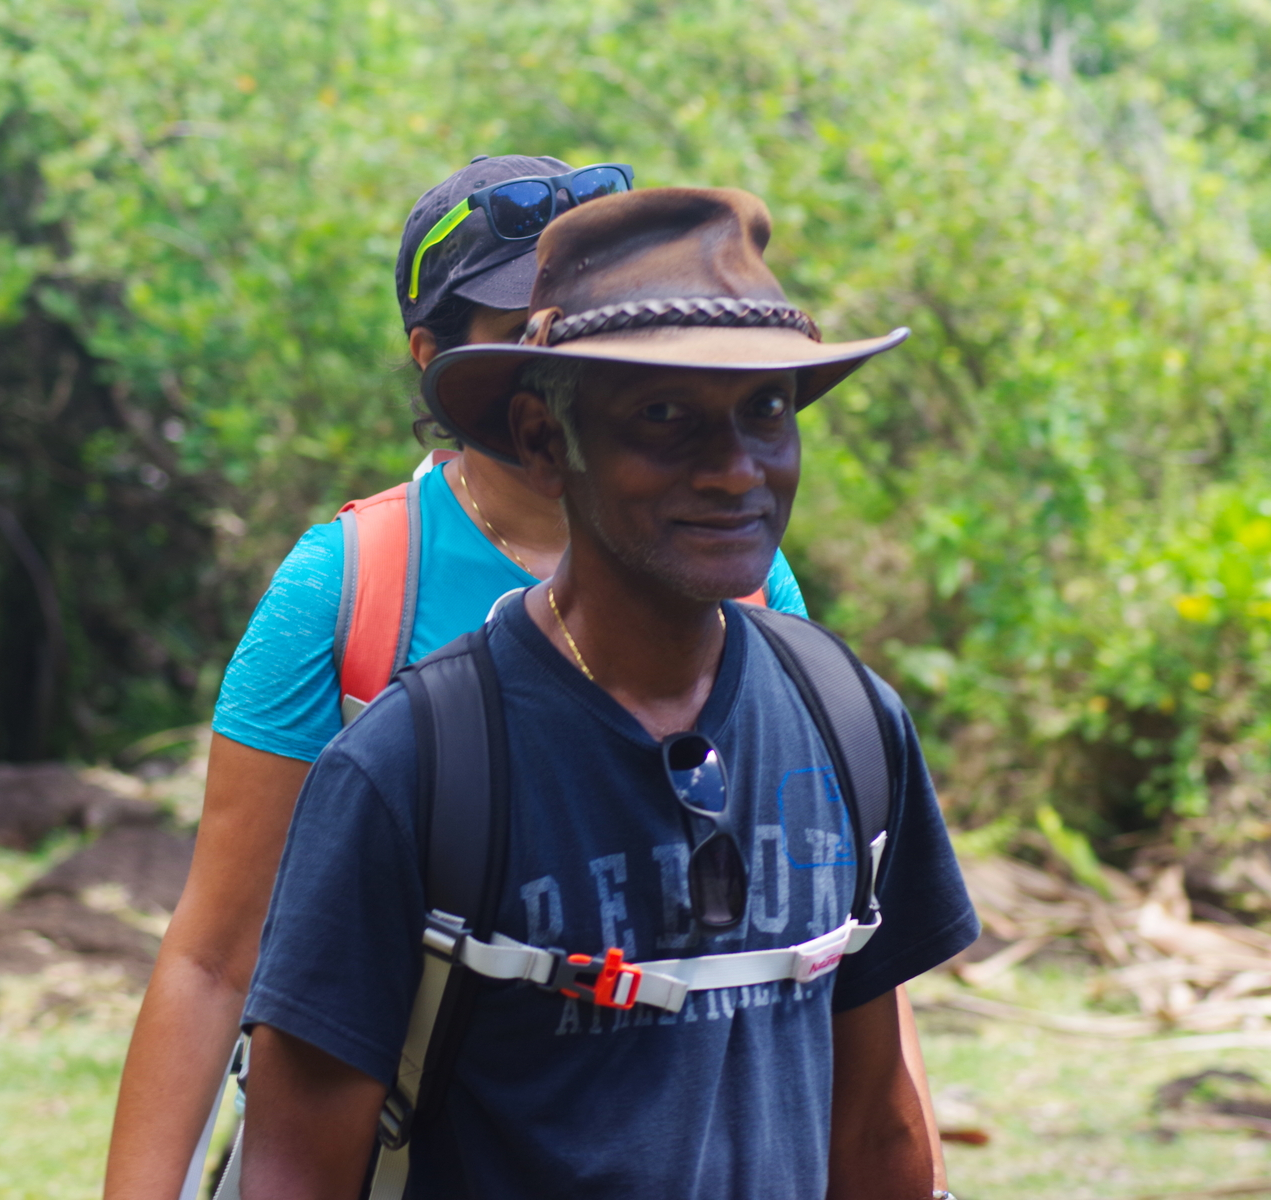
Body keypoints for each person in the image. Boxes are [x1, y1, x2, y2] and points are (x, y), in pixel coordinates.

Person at [238, 186, 980, 1198]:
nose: (735, 472)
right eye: (665, 417)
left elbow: (878, 1129)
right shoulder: (411, 769)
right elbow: (294, 1166)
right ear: (547, 441)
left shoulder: (847, 724)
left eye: (765, 411)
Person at [102, 157, 812, 1200]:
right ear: (438, 361)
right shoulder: (352, 586)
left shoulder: (733, 571)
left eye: (582, 329)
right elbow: (217, 953)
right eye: (524, 333)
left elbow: (824, 921)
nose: (560, 362)